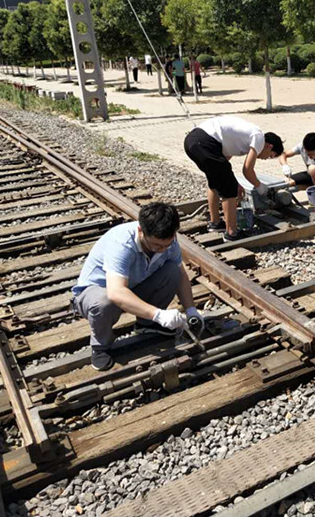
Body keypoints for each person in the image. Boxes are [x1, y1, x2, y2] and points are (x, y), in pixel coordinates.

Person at [72, 203, 204, 371]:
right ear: (141, 231)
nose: (162, 250)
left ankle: (147, 325)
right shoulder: (122, 243)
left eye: (167, 245)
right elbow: (116, 292)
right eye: (157, 245)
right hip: (98, 292)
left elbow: (181, 275)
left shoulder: (168, 242)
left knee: (172, 271)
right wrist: (158, 314)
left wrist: (191, 310)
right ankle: (100, 346)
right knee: (104, 302)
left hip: (132, 285)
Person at [184, 116, 284, 241]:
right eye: (270, 156)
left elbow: (224, 164)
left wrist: (235, 183)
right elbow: (247, 170)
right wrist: (260, 187)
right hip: (205, 142)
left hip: (193, 141)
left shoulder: (243, 139)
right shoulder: (259, 138)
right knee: (229, 189)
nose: (265, 158)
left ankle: (215, 223)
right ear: (269, 146)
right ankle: (232, 233)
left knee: (215, 182)